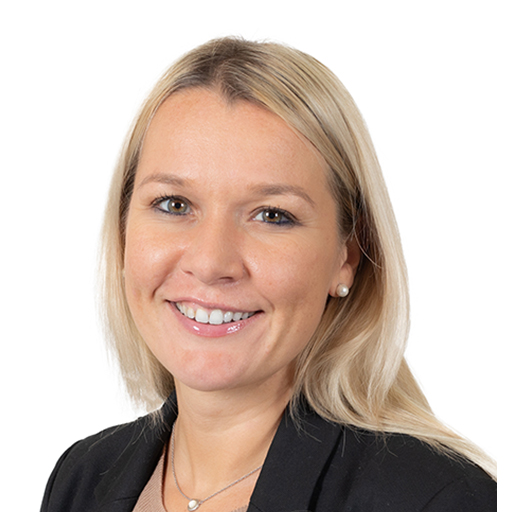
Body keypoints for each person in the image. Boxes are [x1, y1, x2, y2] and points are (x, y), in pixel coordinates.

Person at [40, 37, 496, 512]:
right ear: (123, 230)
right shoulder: (81, 478)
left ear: (347, 255)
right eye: (174, 204)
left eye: (272, 215)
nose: (211, 262)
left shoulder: (437, 500)